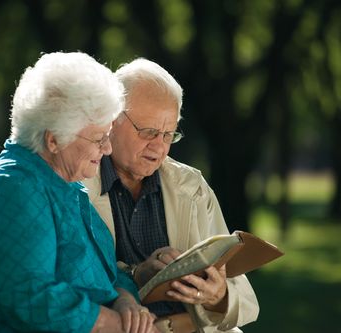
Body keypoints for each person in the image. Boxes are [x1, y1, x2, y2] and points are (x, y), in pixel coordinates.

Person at [0, 52, 159, 333]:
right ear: (53, 139)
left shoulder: (63, 186)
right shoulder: (11, 189)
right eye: (98, 138)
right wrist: (114, 325)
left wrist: (125, 302)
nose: (107, 149)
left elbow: (105, 273)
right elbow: (30, 298)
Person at [83, 58, 260, 333]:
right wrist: (138, 277)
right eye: (149, 132)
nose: (159, 147)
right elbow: (72, 288)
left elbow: (244, 299)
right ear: (111, 119)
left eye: (169, 135)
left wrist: (218, 296)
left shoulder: (192, 187)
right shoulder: (77, 184)